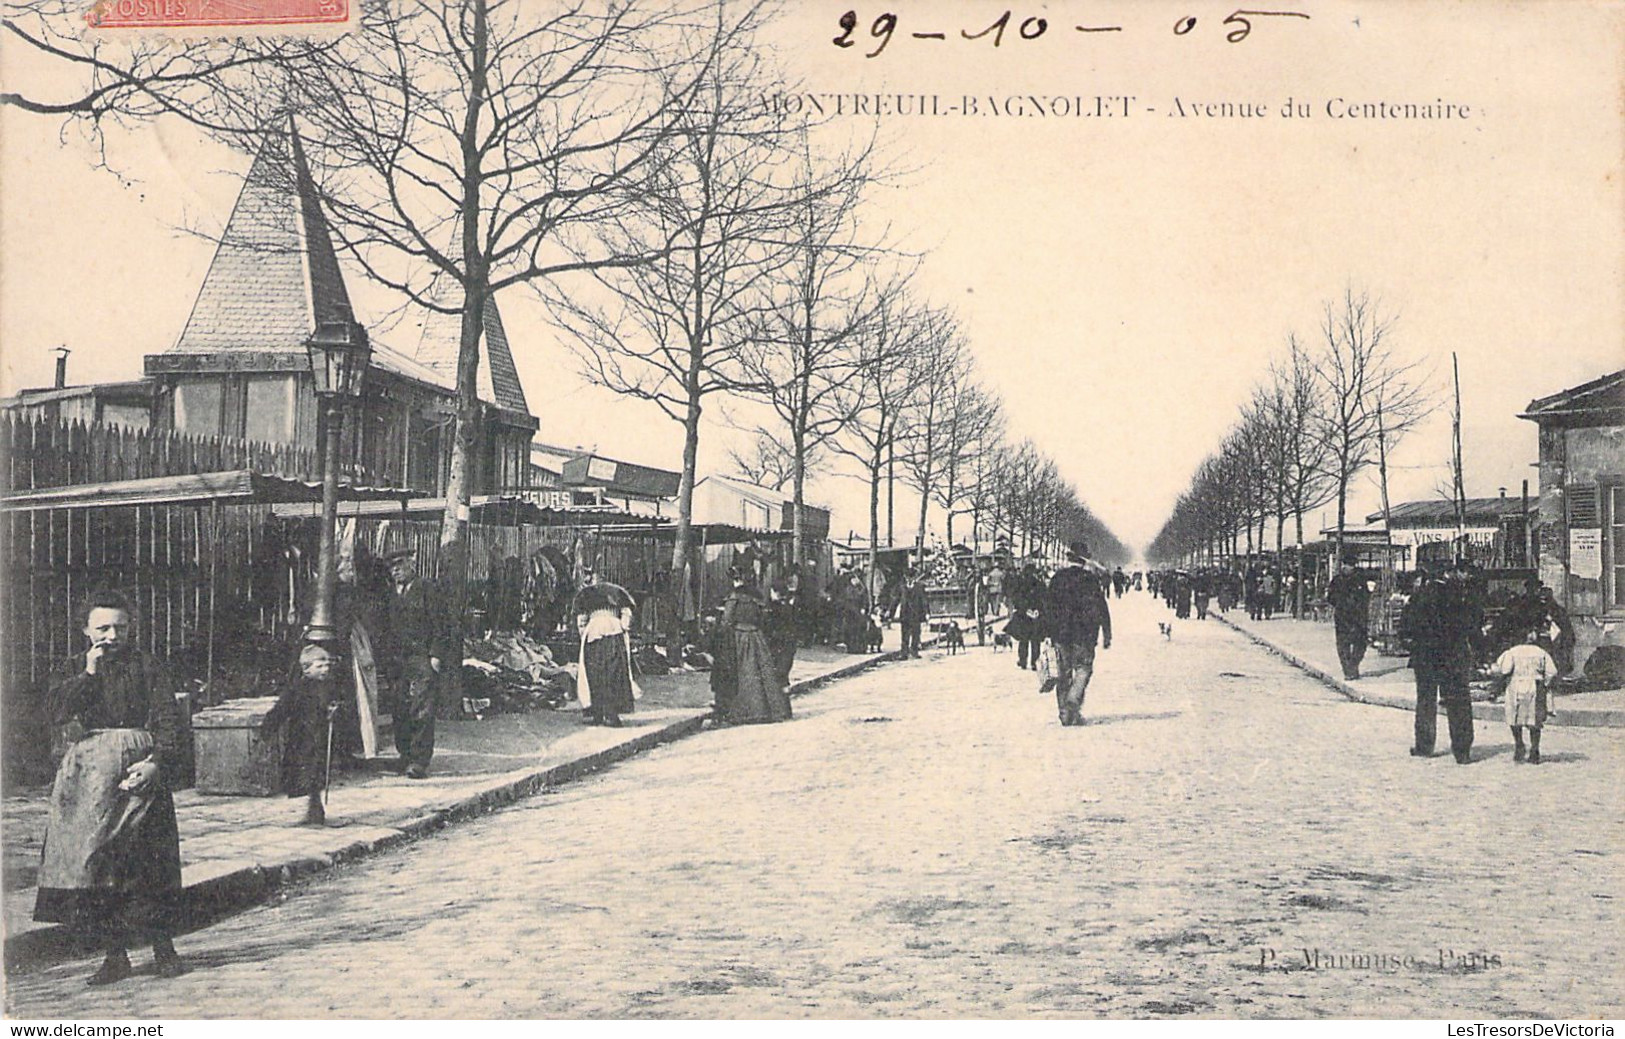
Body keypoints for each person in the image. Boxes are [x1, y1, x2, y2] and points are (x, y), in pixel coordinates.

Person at [35, 590, 189, 985]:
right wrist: (88, 673)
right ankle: (114, 955)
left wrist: (156, 764)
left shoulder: (147, 666)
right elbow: (54, 713)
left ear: (130, 628)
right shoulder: (74, 668)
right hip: (91, 778)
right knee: (99, 864)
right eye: (103, 627)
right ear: (86, 630)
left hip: (140, 771)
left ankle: (163, 949)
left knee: (148, 861)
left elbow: (170, 720)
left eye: (120, 627)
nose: (112, 635)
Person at [1401, 561, 1485, 763]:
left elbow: (1405, 627)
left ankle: (1424, 746)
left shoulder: (1419, 596)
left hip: (1425, 657)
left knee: (1426, 702)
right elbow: (1473, 625)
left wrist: (1414, 648)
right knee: (1459, 702)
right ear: (1447, 574)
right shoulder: (1460, 596)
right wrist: (1479, 652)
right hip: (1453, 657)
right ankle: (1462, 750)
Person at [385, 548, 454, 779]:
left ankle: (419, 760)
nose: (396, 570)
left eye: (400, 565)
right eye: (392, 567)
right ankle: (404, 755)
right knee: (399, 707)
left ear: (411, 565)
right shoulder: (391, 593)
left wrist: (436, 655)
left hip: (422, 657)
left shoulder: (427, 589)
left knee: (422, 708)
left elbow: (441, 625)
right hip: (397, 660)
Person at [263, 643, 340, 826]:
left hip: (321, 738)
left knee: (318, 773)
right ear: (306, 669)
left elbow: (338, 704)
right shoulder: (297, 689)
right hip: (302, 739)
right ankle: (314, 811)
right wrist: (268, 728)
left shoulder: (330, 686)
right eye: (319, 666)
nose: (325, 669)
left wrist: (335, 710)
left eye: (327, 665)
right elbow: (282, 709)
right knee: (305, 774)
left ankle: (315, 811)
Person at [1044, 541, 1113, 726]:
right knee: (1083, 668)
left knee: (1063, 673)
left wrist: (1047, 632)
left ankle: (1064, 713)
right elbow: (1101, 606)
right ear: (1084, 561)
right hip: (1085, 634)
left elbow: (1048, 607)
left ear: (1068, 559)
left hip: (1060, 634)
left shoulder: (1057, 578)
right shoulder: (1090, 579)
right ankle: (1073, 699)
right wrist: (1107, 633)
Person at [711, 568, 792, 725]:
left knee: (742, 673)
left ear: (737, 581)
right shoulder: (757, 598)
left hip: (739, 637)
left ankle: (745, 711)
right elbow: (762, 619)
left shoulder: (733, 598)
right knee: (762, 673)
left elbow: (727, 621)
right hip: (756, 637)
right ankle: (769, 710)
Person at [573, 569, 638, 727]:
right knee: (614, 672)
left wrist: (584, 633)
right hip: (613, 632)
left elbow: (581, 619)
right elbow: (627, 614)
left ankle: (596, 713)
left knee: (594, 672)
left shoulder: (586, 595)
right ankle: (610, 714)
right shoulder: (619, 594)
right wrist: (623, 627)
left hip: (593, 633)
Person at [1493, 627, 1559, 764]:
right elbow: (1552, 671)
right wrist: (1545, 683)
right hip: (1535, 686)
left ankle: (1519, 744)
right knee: (1534, 720)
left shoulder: (1512, 652)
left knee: (1515, 718)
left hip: (1516, 687)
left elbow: (1504, 670)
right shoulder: (1541, 652)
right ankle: (1535, 749)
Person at [1326, 556, 1371, 680]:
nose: (1347, 567)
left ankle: (1353, 665)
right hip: (1342, 617)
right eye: (1346, 564)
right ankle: (1348, 670)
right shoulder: (1337, 580)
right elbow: (1330, 598)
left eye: (1350, 565)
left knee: (1361, 643)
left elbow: (1366, 596)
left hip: (1359, 617)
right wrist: (1341, 604)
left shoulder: (1360, 580)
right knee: (1343, 644)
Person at [1006, 564, 1045, 670]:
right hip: (1036, 616)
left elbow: (1016, 599)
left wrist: (1025, 610)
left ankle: (1023, 660)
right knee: (1035, 640)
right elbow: (1044, 599)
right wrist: (1037, 610)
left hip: (1023, 615)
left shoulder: (1020, 584)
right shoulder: (1039, 584)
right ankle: (1034, 662)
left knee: (1023, 639)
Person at [898, 566, 929, 659]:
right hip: (905, 613)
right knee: (904, 634)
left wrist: (927, 612)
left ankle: (914, 651)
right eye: (907, 577)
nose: (909, 578)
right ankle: (904, 653)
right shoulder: (901, 587)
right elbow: (895, 600)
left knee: (916, 633)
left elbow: (924, 600)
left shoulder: (919, 587)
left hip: (916, 613)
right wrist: (889, 611)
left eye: (911, 577)